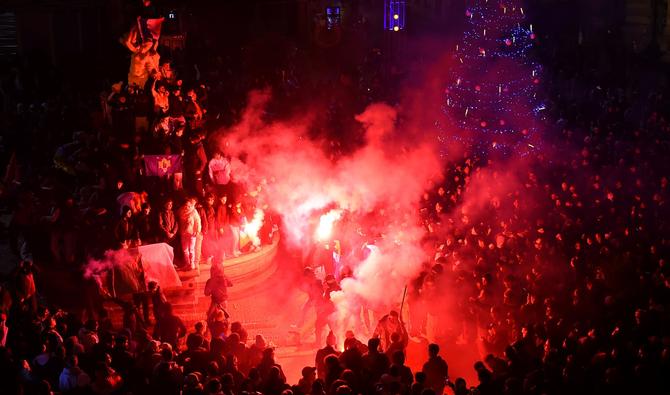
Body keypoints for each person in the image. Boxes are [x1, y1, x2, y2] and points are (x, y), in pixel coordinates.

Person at [178, 197, 202, 270]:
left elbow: (198, 221)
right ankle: (187, 263)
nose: (187, 207)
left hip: (192, 233)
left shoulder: (194, 212)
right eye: (186, 205)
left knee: (191, 249)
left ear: (191, 205)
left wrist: (197, 231)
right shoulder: (181, 211)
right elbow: (180, 222)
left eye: (189, 206)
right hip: (183, 233)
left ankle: (192, 264)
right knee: (185, 250)